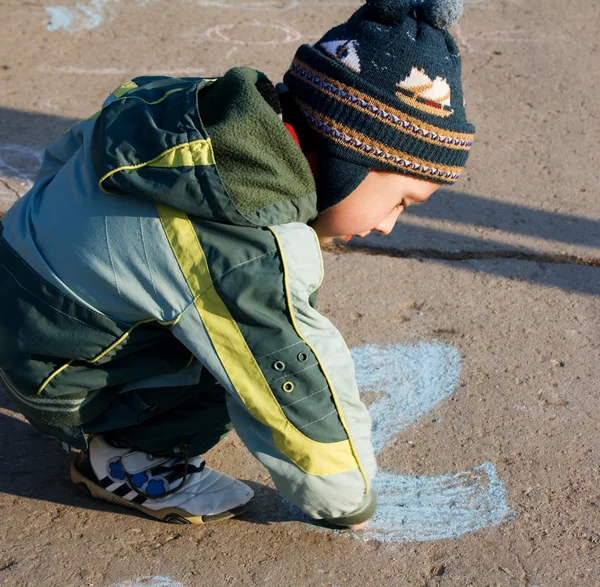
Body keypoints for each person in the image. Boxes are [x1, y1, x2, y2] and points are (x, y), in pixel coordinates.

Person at [0, 0, 474, 529]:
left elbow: (63, 158)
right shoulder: (244, 244)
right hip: (51, 373)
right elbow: (294, 376)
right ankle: (131, 460)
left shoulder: (191, 114)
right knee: (234, 355)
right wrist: (347, 500)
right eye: (401, 201)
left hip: (15, 285)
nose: (389, 224)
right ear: (350, 157)